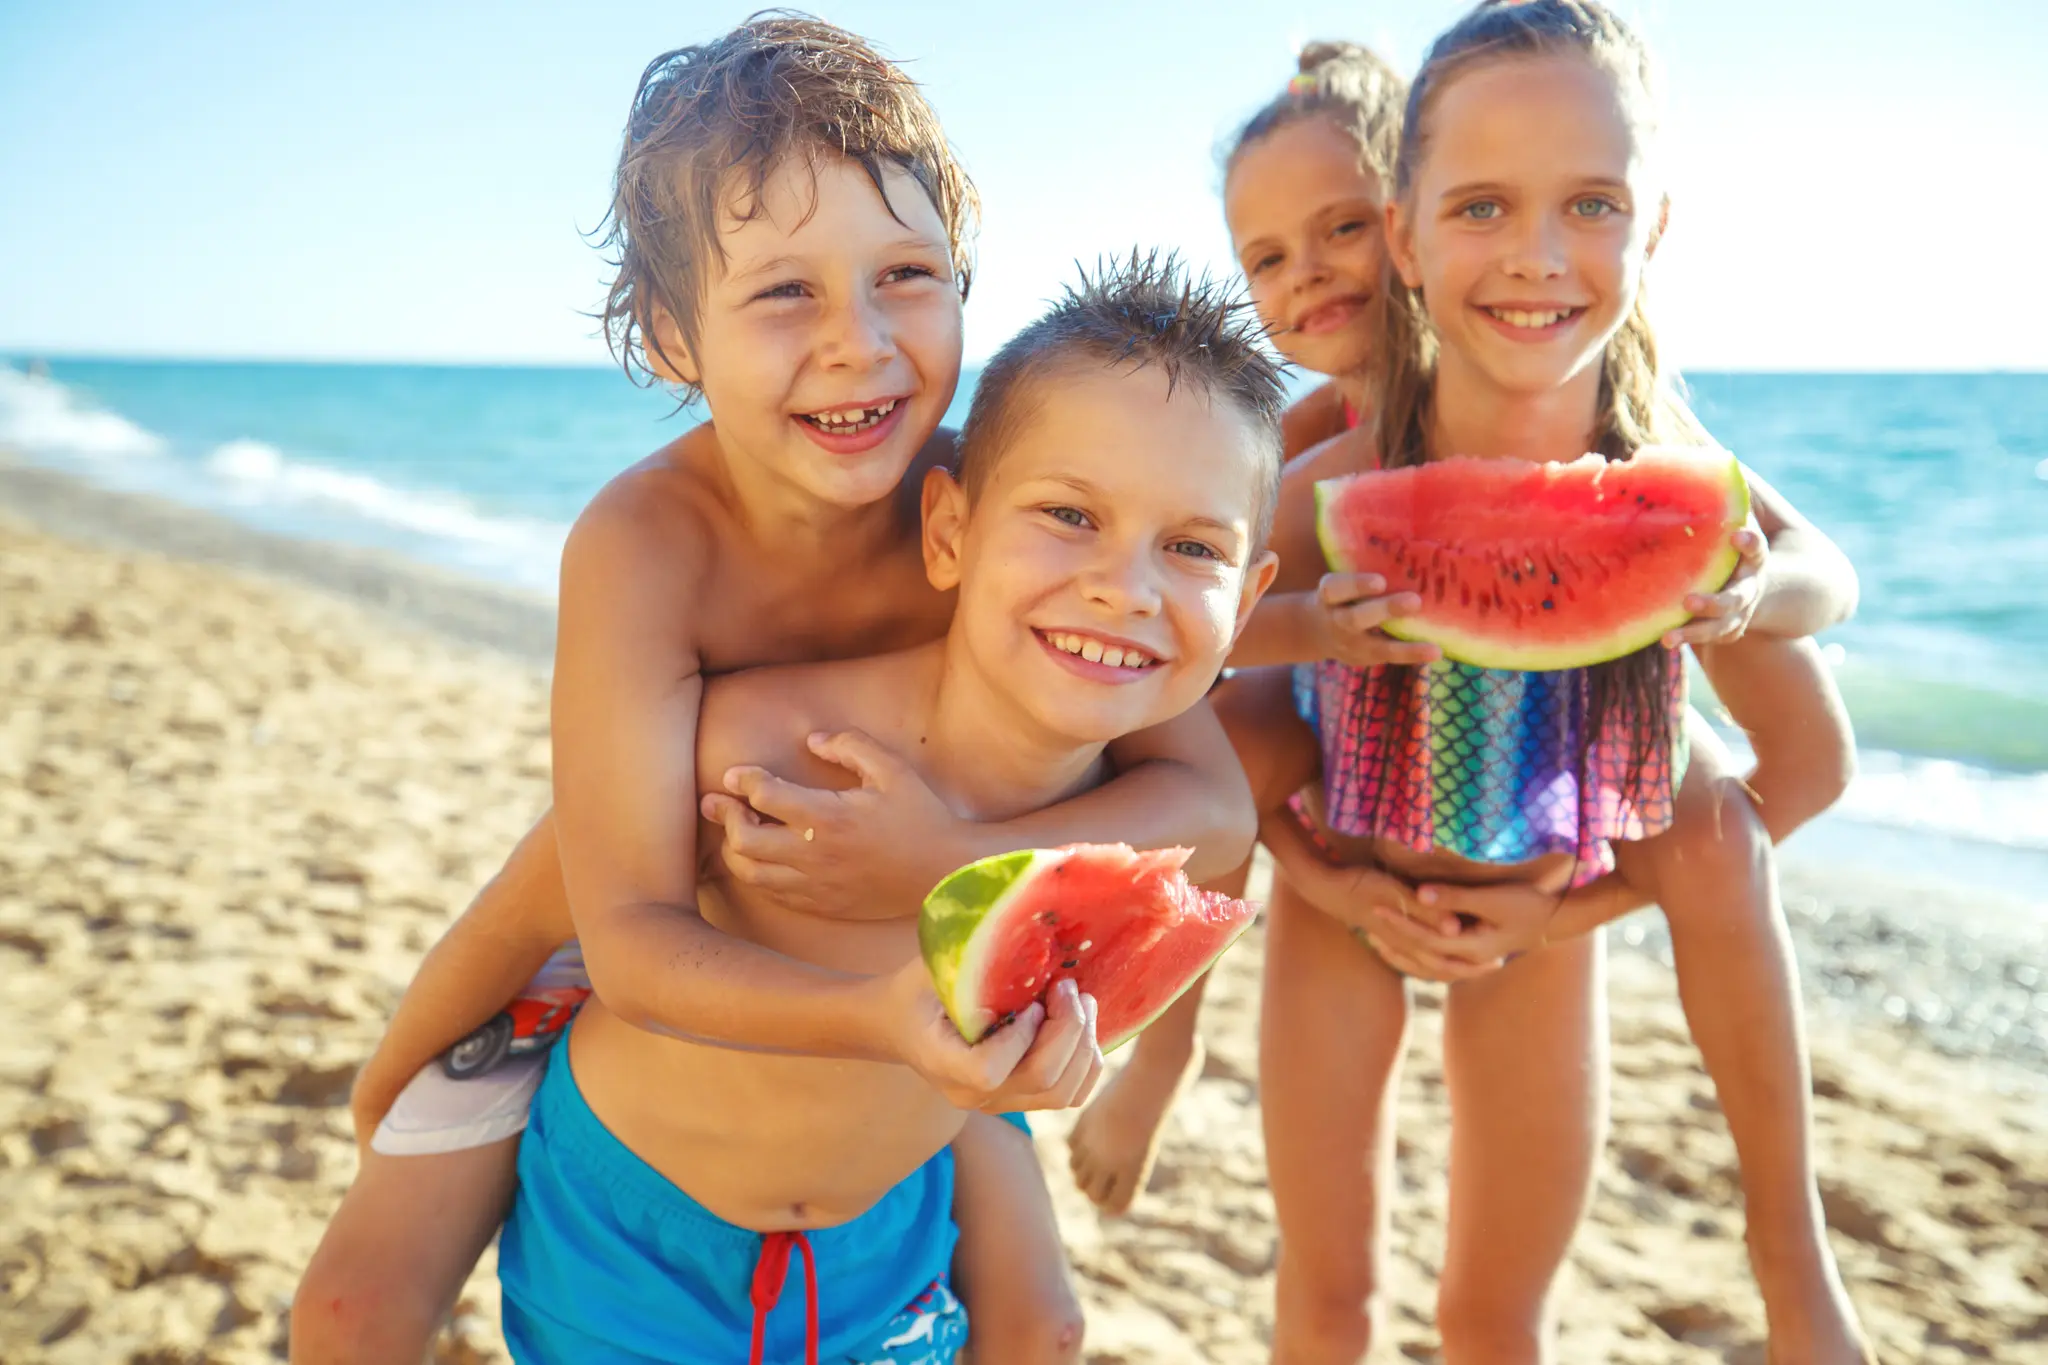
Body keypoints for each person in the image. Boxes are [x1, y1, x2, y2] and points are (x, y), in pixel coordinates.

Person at [291, 20, 1256, 1364]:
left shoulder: (1019, 519)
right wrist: (411, 1052)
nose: (858, 344)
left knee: (1042, 1322)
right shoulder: (650, 545)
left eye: (906, 276)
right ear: (673, 334)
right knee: (349, 1300)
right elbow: (590, 903)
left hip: (912, 996)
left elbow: (1207, 802)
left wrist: (940, 865)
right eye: (784, 293)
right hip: (636, 939)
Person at [1228, 5, 1876, 1360]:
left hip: (1546, 906)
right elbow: (1202, 651)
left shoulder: (1663, 472)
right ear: (1403, 236)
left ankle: (1790, 1246)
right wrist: (1324, 854)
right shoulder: (1347, 475)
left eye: (1591, 203)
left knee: (1494, 1317)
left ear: (1655, 228)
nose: (1536, 256)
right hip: (1342, 890)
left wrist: (1570, 910)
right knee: (1327, 1298)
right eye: (1480, 206)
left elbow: (1813, 734)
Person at [503, 249, 1283, 1361]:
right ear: (949, 532)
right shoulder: (777, 757)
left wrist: (958, 881)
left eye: (1192, 547)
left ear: (1247, 599)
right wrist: (404, 1091)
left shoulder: (1142, 794)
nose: (1128, 586)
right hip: (639, 1226)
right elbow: (570, 916)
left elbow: (1219, 838)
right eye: (1068, 515)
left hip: (889, 1217)